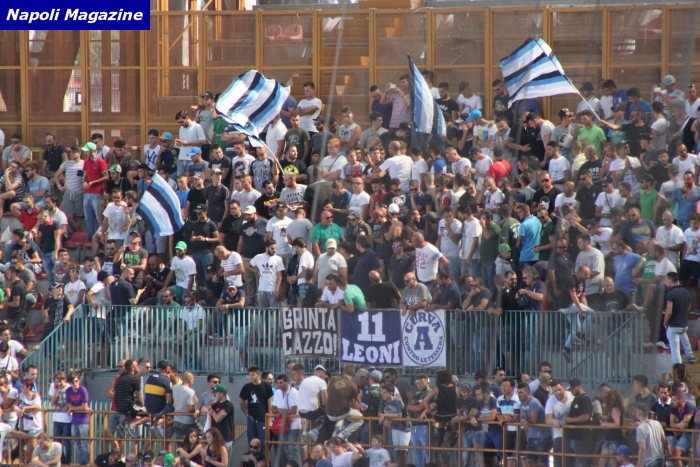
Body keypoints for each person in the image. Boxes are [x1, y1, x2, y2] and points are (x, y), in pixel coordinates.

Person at [663, 272, 695, 364]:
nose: (665, 282)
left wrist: (665, 322)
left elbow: (669, 311)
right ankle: (690, 355)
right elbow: (688, 307)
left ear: (670, 280)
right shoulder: (686, 292)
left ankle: (678, 367)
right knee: (684, 337)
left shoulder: (670, 294)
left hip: (673, 325)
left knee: (675, 349)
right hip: (684, 324)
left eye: (666, 280)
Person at [239, 366, 273, 450]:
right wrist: (246, 414)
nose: (251, 377)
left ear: (258, 374)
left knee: (263, 442)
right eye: (250, 375)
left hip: (263, 418)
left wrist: (269, 418)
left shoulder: (266, 386)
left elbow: (270, 402)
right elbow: (242, 403)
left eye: (253, 375)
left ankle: (264, 458)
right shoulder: (247, 387)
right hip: (251, 418)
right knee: (251, 442)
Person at [65, 373, 90, 465]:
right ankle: (81, 462)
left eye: (76, 381)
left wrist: (72, 408)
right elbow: (69, 404)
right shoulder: (68, 391)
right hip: (74, 420)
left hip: (84, 420)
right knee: (77, 443)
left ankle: (86, 462)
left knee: (84, 443)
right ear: (70, 383)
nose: (75, 383)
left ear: (79, 381)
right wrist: (71, 408)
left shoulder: (82, 390)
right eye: (73, 382)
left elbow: (84, 407)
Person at [635, 403, 669, 467]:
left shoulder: (640, 428)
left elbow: (642, 448)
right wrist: (668, 452)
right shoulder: (657, 423)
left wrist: (639, 465)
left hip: (649, 462)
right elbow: (664, 441)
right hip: (661, 459)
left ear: (639, 414)